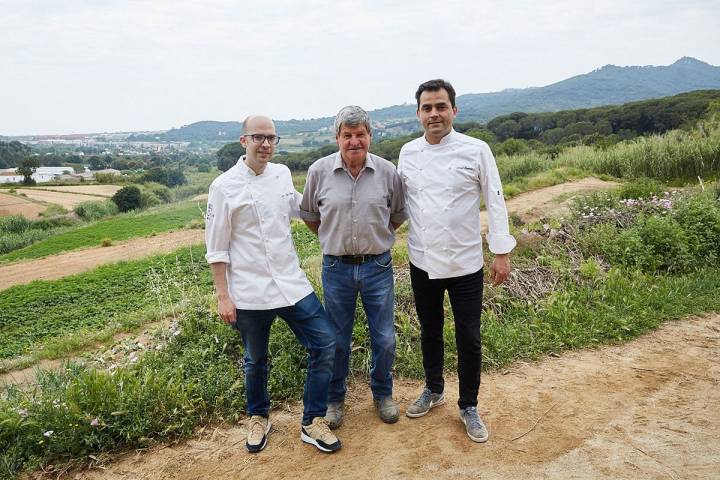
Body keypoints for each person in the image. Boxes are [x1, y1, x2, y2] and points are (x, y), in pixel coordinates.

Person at [205, 115, 341, 454]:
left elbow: (302, 208)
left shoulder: (281, 174)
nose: (265, 144)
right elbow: (217, 248)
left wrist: (341, 215)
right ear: (244, 141)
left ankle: (312, 420)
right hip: (249, 291)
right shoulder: (223, 187)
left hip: (291, 283)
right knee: (255, 359)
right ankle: (258, 417)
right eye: (258, 137)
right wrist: (223, 296)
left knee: (325, 343)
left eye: (271, 138)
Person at [397, 79, 516, 443]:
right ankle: (434, 388)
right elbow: (400, 204)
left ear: (453, 110)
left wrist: (501, 251)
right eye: (427, 108)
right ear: (418, 113)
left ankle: (468, 405)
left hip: (465, 264)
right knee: (429, 330)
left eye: (441, 106)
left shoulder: (476, 149)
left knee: (469, 336)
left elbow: (494, 200)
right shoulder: (408, 152)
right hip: (422, 260)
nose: (434, 114)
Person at [300, 106, 407, 429]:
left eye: (360, 134)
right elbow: (309, 216)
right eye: (347, 135)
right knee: (337, 339)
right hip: (336, 269)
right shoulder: (318, 172)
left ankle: (382, 393)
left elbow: (398, 215)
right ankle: (334, 400)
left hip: (378, 267)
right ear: (337, 138)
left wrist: (377, 238)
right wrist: (334, 240)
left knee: (385, 337)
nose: (354, 141)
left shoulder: (388, 172)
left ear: (370, 136)